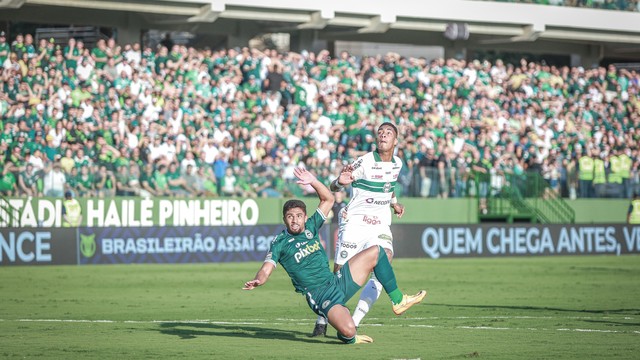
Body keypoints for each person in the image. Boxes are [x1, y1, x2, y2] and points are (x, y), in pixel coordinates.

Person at [243, 167, 426, 344]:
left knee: (377, 251)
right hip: (320, 295)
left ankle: (398, 300)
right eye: (290, 216)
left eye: (299, 216)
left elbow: (328, 199)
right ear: (284, 219)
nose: (295, 220)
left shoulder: (311, 226)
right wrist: (258, 280)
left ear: (305, 217)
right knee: (349, 331)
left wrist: (313, 181)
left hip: (336, 281)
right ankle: (345, 335)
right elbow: (266, 270)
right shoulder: (279, 242)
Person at [312, 122, 407, 336]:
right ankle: (322, 318)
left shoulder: (397, 164)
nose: (383, 135)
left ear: (395, 141)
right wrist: (339, 181)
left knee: (386, 259)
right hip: (355, 221)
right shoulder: (364, 161)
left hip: (380, 224)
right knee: (339, 272)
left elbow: (389, 186)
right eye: (380, 132)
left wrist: (394, 203)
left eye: (388, 133)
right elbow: (335, 187)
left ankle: (354, 321)